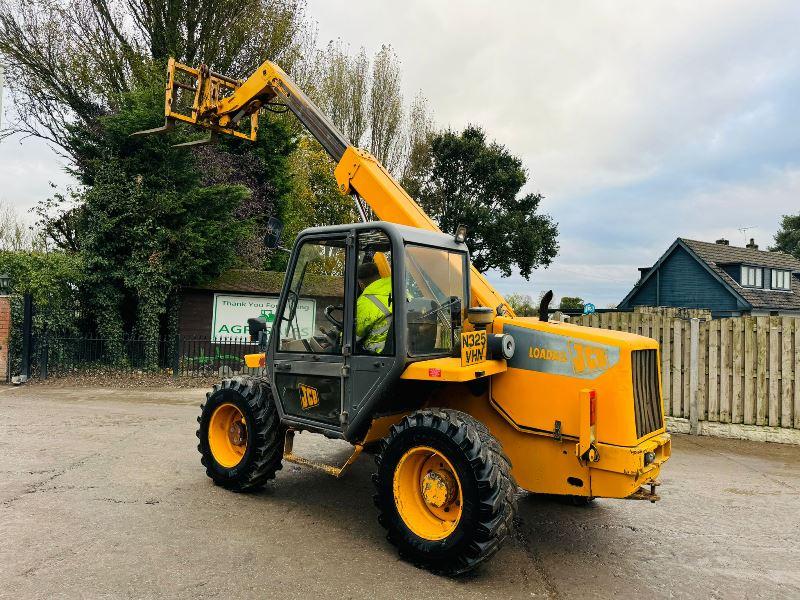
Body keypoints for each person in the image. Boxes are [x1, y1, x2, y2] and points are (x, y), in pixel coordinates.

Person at [355, 261, 392, 354]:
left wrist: (339, 336)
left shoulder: (365, 302)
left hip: (377, 354)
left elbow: (353, 335)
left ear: (361, 284)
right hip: (398, 349)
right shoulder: (401, 292)